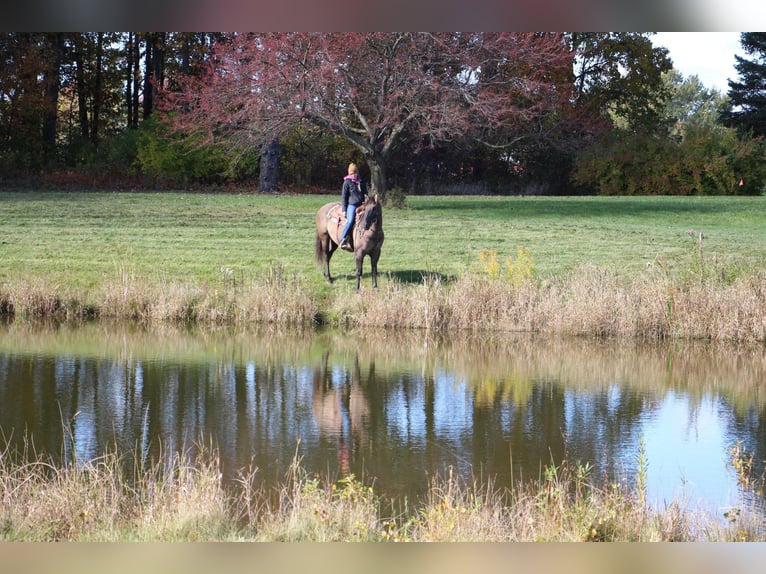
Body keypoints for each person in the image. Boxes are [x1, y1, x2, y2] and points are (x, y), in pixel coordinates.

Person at [338, 162, 368, 251]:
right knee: (350, 221)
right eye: (351, 173)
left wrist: (366, 198)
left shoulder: (361, 182)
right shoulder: (347, 182)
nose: (353, 175)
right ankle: (342, 239)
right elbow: (344, 196)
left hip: (362, 205)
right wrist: (344, 209)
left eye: (355, 173)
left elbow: (365, 193)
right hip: (352, 205)